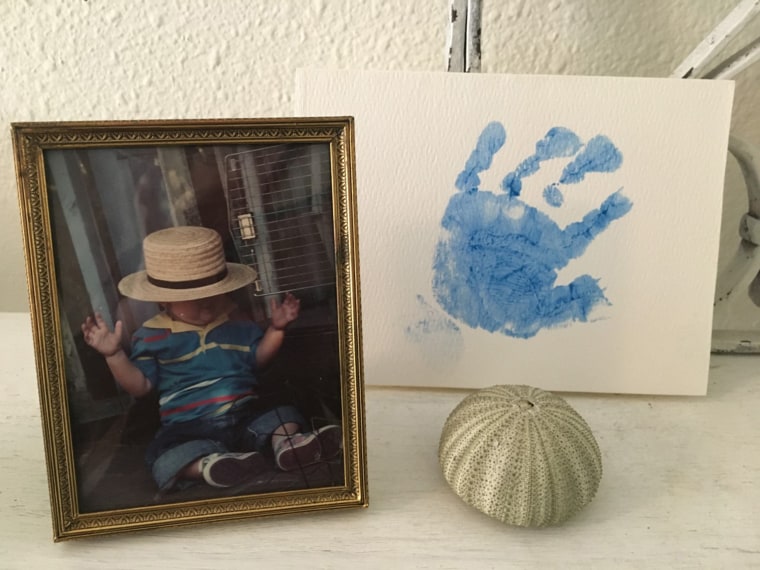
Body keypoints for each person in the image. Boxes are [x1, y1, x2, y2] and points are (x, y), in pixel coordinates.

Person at [81, 226, 341, 492]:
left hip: (245, 414)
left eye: (214, 294)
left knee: (281, 415)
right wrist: (114, 355)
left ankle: (287, 445)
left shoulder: (235, 322)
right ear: (164, 301)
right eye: (193, 298)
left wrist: (276, 329)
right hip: (189, 425)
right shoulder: (152, 336)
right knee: (166, 454)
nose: (207, 303)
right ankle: (209, 466)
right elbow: (141, 387)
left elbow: (256, 360)